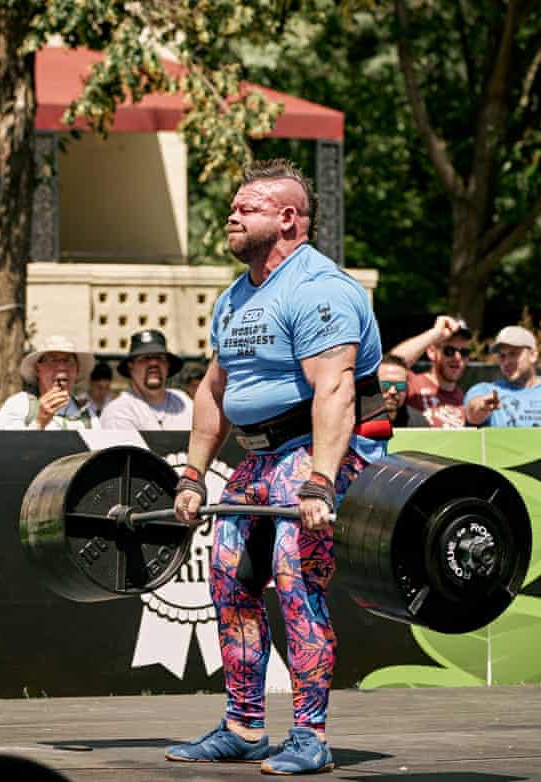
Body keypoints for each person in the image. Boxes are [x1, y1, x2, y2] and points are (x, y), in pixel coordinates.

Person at [165, 159, 390, 775]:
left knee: (296, 576)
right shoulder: (236, 297)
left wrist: (320, 479)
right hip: (260, 455)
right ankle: (243, 725)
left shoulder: (320, 289)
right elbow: (214, 392)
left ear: (288, 218)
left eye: (248, 207)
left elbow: (337, 390)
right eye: (233, 207)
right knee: (229, 580)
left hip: (319, 452)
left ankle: (310, 736)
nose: (232, 215)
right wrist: (191, 474)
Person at [0, 335, 99, 430]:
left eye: (68, 361)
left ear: (77, 370)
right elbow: (6, 447)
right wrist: (39, 422)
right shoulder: (19, 405)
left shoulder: (88, 414)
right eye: (53, 360)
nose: (62, 367)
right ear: (38, 369)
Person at [101, 329, 193, 431]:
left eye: (159, 358)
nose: (153, 363)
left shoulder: (184, 402)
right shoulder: (119, 411)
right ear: (131, 366)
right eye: (145, 358)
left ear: (168, 365)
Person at [390, 315, 472, 428]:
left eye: (464, 353)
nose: (457, 358)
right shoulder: (412, 383)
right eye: (449, 351)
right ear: (431, 352)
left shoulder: (465, 399)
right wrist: (434, 333)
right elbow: (391, 364)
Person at [465, 325, 541, 427]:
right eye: (502, 356)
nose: (506, 362)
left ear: (533, 355)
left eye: (513, 354)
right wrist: (482, 406)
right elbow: (472, 414)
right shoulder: (486, 390)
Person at [378, 354, 429, 427]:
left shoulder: (419, 424)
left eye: (400, 385)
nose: (393, 391)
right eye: (385, 384)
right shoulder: (358, 419)